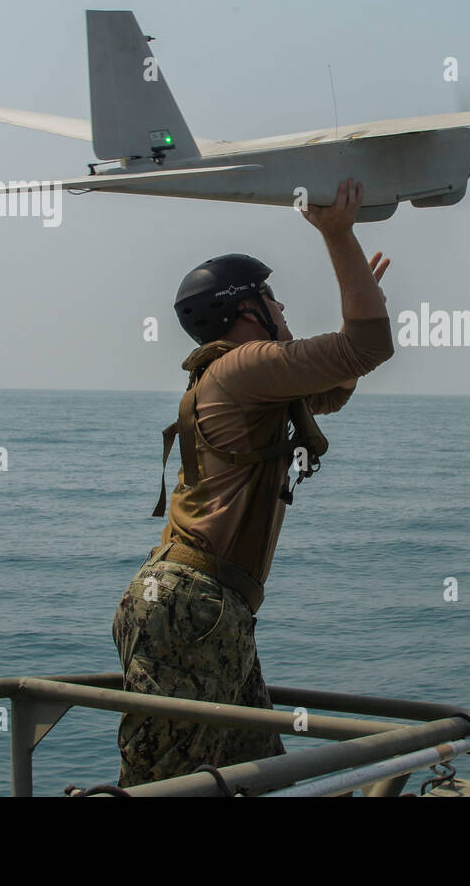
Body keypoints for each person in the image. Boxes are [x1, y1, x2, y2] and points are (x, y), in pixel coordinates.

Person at [112, 177, 394, 788]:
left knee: (248, 780)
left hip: (210, 607)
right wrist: (338, 236)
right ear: (248, 310)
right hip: (192, 607)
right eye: (275, 297)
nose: (285, 309)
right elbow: (367, 345)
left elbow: (336, 385)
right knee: (171, 789)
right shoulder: (244, 367)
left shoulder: (237, 377)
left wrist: (361, 288)